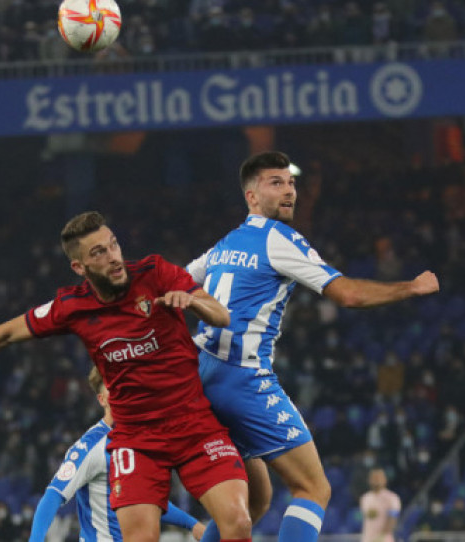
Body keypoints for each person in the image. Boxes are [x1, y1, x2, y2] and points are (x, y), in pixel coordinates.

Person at [0, 211, 251, 542]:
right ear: (79, 266)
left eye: (113, 244)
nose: (113, 257)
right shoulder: (72, 307)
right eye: (99, 252)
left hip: (193, 423)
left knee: (237, 520)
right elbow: (4, 334)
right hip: (136, 440)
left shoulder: (156, 273)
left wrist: (193, 303)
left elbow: (221, 315)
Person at [186, 151, 440, 542]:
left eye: (291, 183)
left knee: (253, 503)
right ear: (252, 196)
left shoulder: (226, 243)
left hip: (200, 374)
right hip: (241, 379)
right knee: (313, 488)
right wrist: (412, 287)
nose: (289, 191)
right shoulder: (281, 240)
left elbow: (180, 282)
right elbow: (349, 295)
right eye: (276, 183)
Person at [30, 366, 207, 541]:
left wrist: (192, 524)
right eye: (112, 389)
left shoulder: (140, 440)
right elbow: (53, 495)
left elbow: (146, 502)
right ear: (102, 400)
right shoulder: (90, 446)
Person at [360, 468, 400, 542]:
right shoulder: (365, 498)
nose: (376, 480)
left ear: (385, 480)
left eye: (379, 478)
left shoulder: (392, 498)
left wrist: (381, 537)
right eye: (374, 478)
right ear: (369, 480)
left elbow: (392, 519)